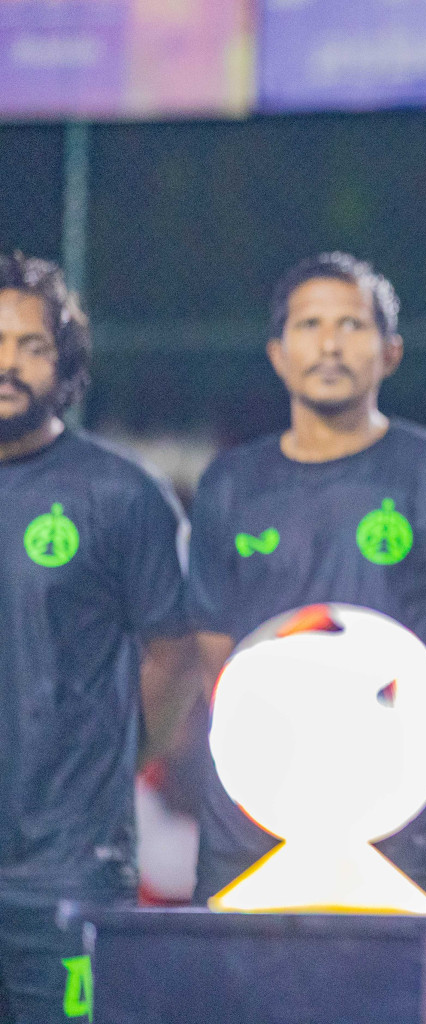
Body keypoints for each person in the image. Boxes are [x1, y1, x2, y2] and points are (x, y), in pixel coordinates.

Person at [186, 252, 426, 905]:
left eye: (352, 325)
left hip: (405, 830)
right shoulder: (230, 483)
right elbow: (214, 655)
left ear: (391, 351)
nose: (329, 343)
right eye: (310, 324)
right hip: (253, 830)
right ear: (277, 351)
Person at [0, 252, 196, 1024]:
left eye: (32, 346)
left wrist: (124, 755)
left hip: (68, 871)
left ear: (66, 363)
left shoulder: (121, 493)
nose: (8, 363)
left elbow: (174, 652)